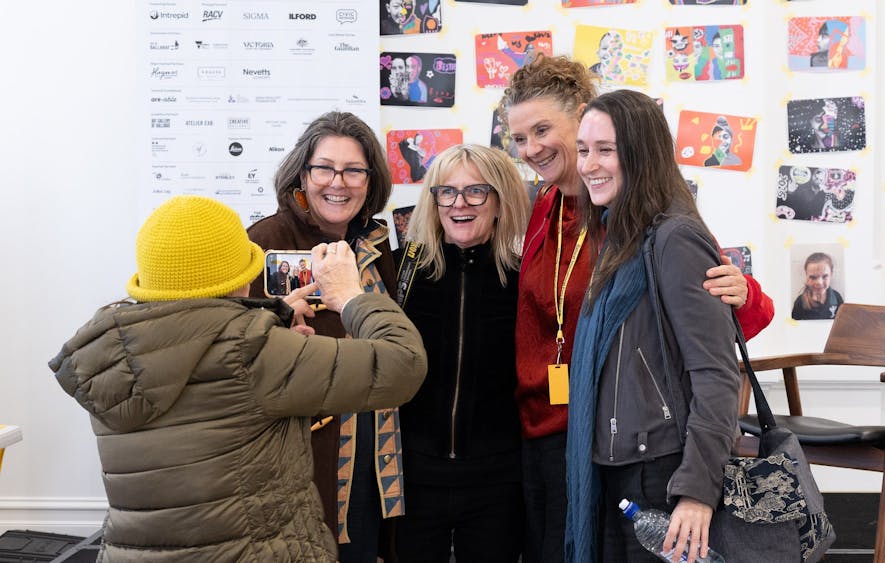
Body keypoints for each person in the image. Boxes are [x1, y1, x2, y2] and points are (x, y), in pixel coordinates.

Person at [500, 55, 773, 563]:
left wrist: (745, 291)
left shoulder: (644, 220)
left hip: (622, 440)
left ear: (584, 116)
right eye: (519, 138)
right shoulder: (544, 207)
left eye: (543, 130)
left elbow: (716, 332)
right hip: (550, 427)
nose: (532, 148)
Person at [49, 196, 427, 562]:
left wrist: (272, 324)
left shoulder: (111, 355)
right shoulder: (258, 355)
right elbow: (403, 364)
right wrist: (349, 297)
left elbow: (204, 367)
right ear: (242, 279)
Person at [568, 89, 741, 563]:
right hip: (619, 467)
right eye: (583, 150)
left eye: (606, 150)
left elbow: (717, 375)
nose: (588, 165)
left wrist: (697, 492)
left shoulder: (675, 238)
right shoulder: (618, 236)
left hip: (662, 472)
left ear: (641, 154)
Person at [247, 111, 401, 563]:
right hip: (304, 464)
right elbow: (233, 352)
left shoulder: (375, 245)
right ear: (302, 174)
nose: (339, 182)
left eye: (354, 170)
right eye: (325, 168)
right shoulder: (265, 242)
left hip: (372, 457)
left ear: (370, 181)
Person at [393, 144, 530, 562]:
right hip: (412, 478)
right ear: (432, 201)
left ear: (499, 199)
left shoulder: (526, 278)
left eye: (475, 192)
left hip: (498, 479)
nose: (459, 204)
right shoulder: (400, 271)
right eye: (446, 192)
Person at [791, 252, 844, 320]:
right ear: (806, 275)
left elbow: (842, 324)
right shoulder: (800, 302)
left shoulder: (837, 298)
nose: (819, 282)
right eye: (813, 277)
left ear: (831, 274)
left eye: (824, 276)